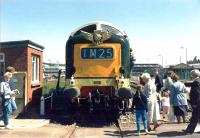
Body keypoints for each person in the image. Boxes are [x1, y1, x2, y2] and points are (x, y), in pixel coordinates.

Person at [184, 69, 200, 134]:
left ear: (193, 75)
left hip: (198, 102)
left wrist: (195, 103)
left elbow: (197, 93)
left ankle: (189, 130)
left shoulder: (196, 82)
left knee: (195, 117)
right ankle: (189, 130)